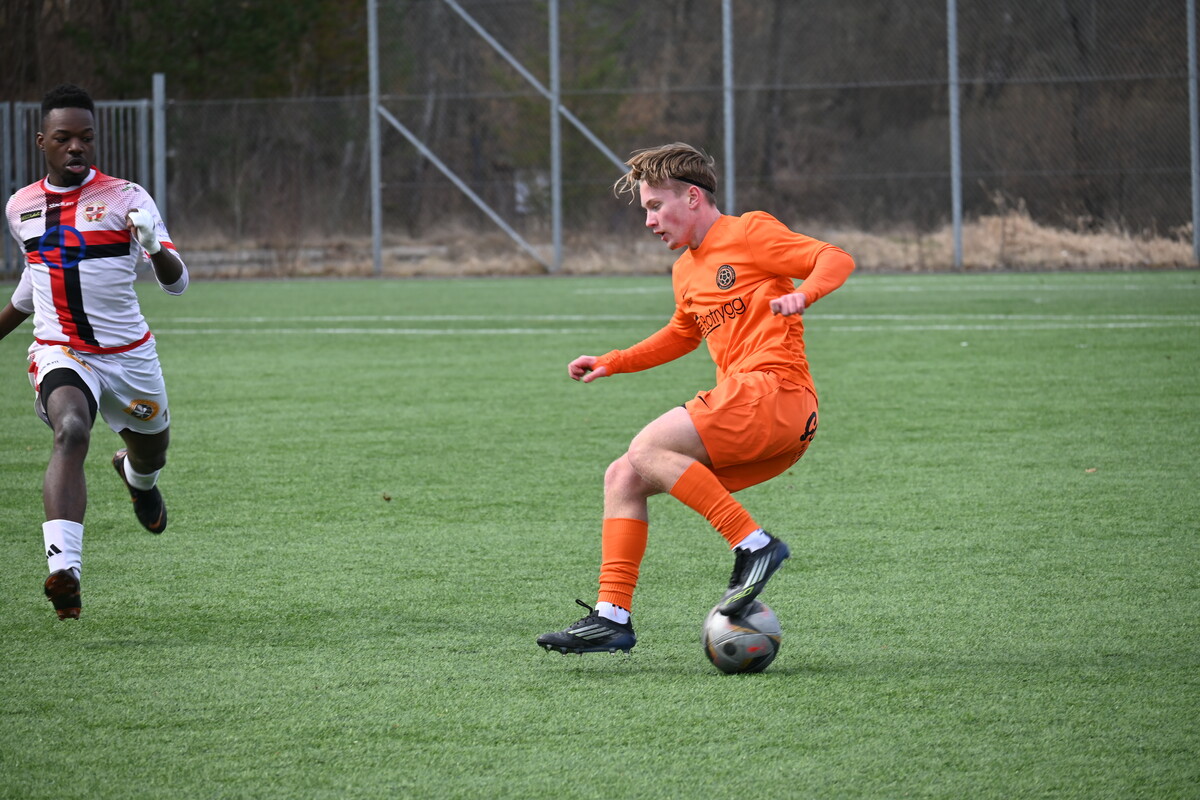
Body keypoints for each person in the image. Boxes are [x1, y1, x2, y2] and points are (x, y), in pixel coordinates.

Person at [537, 142, 854, 655]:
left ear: (691, 197)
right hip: (764, 418)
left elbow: (833, 257)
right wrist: (613, 360)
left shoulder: (747, 231)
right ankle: (612, 616)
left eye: (654, 206)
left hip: (775, 392)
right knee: (624, 476)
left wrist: (805, 293)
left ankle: (755, 546)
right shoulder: (685, 270)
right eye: (645, 210)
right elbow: (682, 335)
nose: (649, 221)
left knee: (647, 446)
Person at [0, 84, 190, 620]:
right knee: (71, 430)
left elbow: (177, 283)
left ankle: (137, 477)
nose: (76, 147)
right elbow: (32, 285)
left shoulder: (127, 197)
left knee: (153, 454)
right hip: (61, 350)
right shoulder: (21, 206)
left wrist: (153, 247)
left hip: (129, 357)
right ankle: (65, 570)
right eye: (64, 138)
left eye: (86, 137)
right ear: (42, 141)